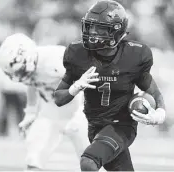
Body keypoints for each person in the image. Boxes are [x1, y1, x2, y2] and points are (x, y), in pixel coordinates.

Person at [54, 0, 166, 171]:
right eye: (90, 27)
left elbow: (154, 92)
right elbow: (58, 98)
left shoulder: (134, 55)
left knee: (88, 162)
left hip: (122, 125)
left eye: (100, 29)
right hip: (94, 126)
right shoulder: (77, 54)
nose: (92, 33)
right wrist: (76, 86)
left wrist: (160, 113)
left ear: (116, 31)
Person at [0, 33, 89, 171]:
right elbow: (32, 84)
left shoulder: (57, 59)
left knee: (90, 161)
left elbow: (87, 80)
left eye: (20, 71)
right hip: (51, 110)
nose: (19, 76)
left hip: (78, 107)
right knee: (34, 157)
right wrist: (31, 112)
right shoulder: (29, 68)